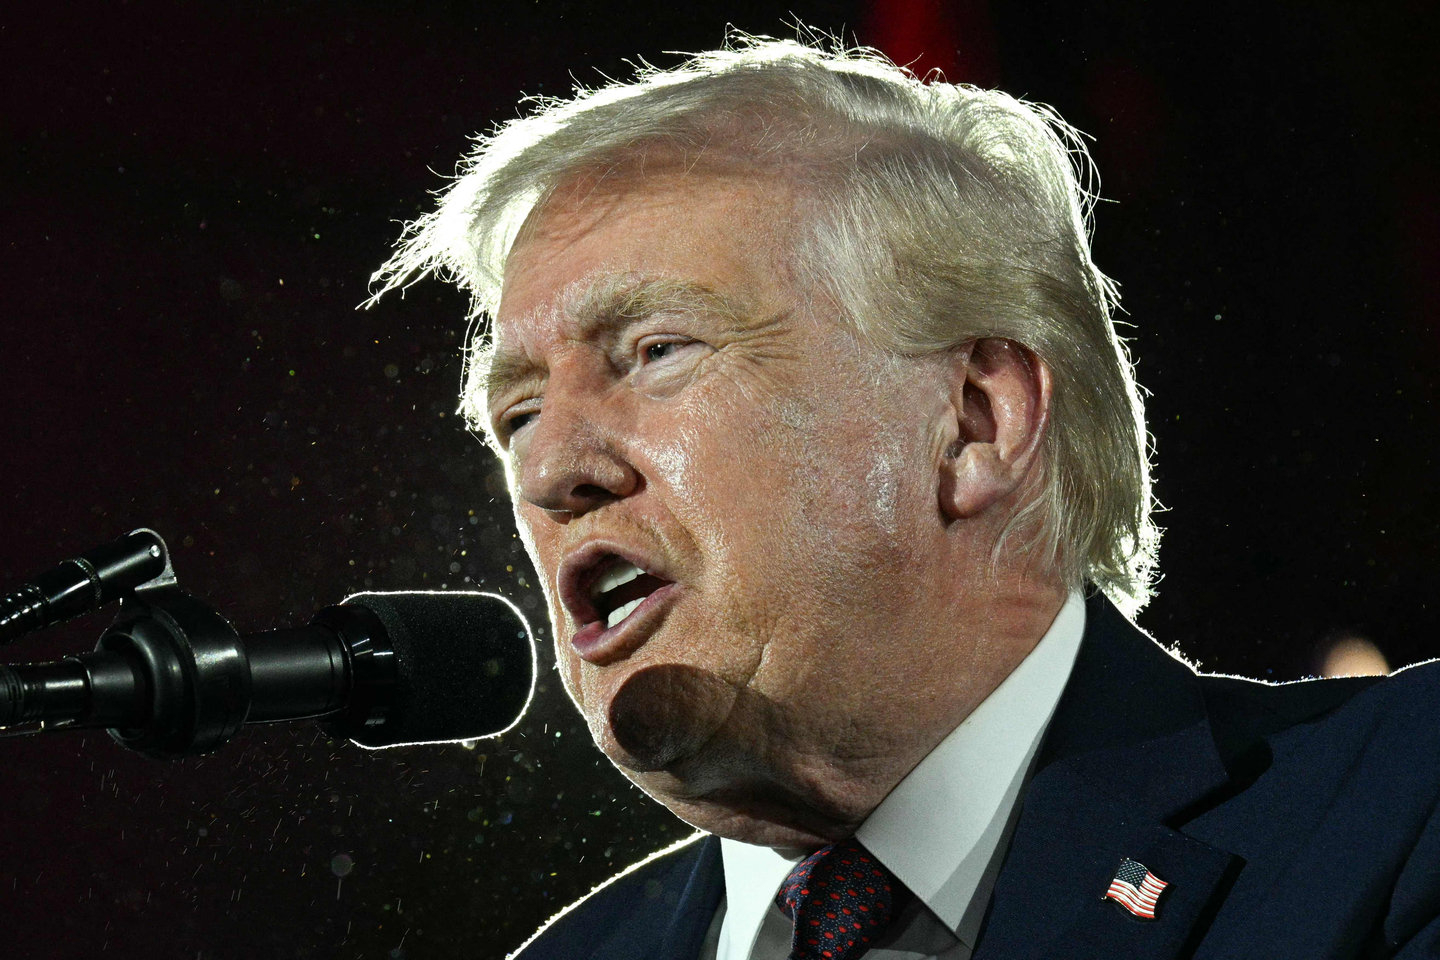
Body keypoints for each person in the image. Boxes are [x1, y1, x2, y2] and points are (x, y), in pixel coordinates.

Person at [369, 32, 1440, 960]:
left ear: (975, 421)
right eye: (517, 415)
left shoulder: (1402, 809)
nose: (549, 470)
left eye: (656, 351)